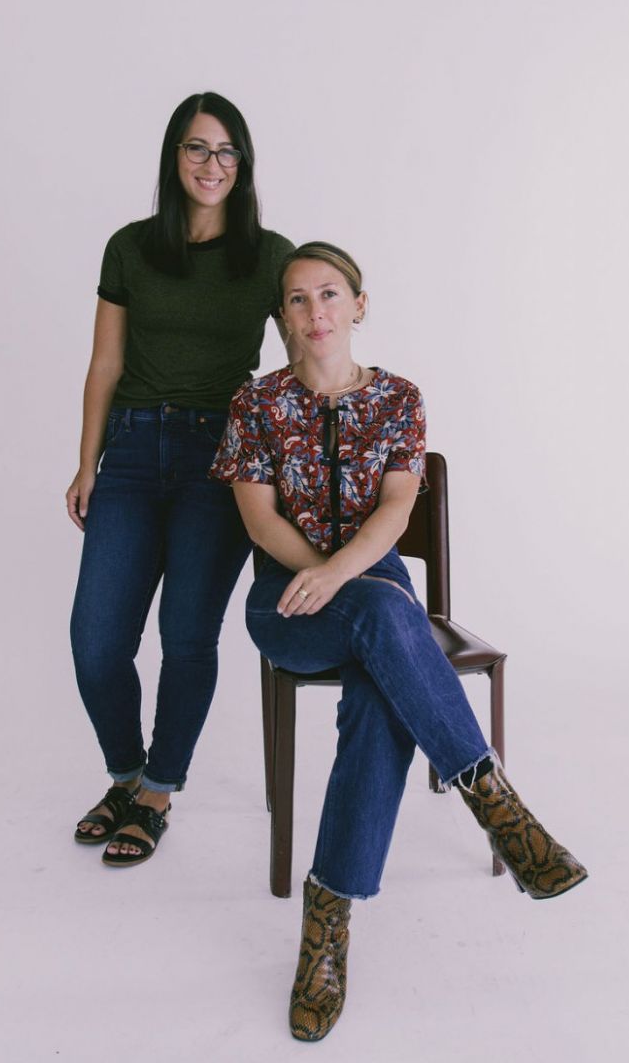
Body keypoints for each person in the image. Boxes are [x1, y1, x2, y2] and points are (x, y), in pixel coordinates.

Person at [210, 242, 588, 1042]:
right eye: (298, 299)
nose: (316, 311)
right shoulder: (256, 404)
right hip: (288, 600)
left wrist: (344, 572)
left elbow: (396, 506)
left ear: (359, 304)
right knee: (387, 621)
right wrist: (322, 576)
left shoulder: (400, 399)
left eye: (330, 293)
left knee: (381, 672)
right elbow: (260, 521)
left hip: (373, 590)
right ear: (283, 318)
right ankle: (495, 802)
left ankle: (326, 927)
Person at [67, 92, 294, 868]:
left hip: (220, 460)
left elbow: (305, 355)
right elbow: (105, 363)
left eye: (228, 151)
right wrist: (87, 462)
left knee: (186, 636)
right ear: (175, 156)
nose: (212, 164)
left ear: (244, 164)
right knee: (96, 640)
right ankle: (126, 775)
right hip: (131, 451)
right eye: (198, 147)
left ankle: (158, 792)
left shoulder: (268, 256)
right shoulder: (130, 248)